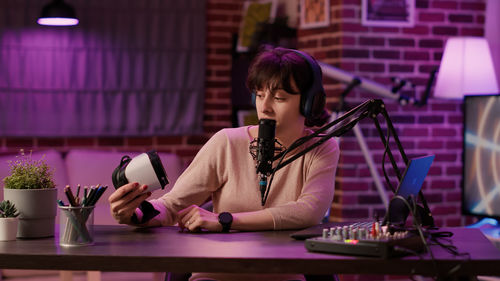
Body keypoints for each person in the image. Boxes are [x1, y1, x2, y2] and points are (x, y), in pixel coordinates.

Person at [109, 46, 340, 281]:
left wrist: (225, 220)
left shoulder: (322, 148)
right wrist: (134, 213)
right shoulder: (227, 142)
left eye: (279, 97)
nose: (265, 107)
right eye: (259, 95)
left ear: (310, 103)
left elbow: (308, 212)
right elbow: (171, 206)